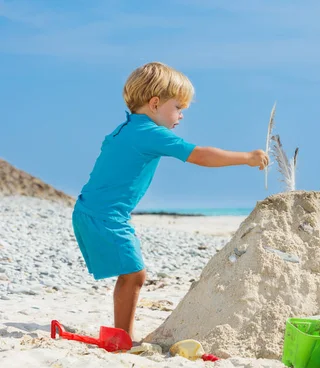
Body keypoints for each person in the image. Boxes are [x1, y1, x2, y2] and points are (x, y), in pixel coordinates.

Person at [72, 61, 268, 339]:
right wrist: (246, 158)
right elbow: (200, 155)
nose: (181, 116)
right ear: (154, 103)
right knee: (134, 274)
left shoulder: (126, 128)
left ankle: (121, 334)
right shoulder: (149, 132)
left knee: (131, 273)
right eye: (178, 107)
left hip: (91, 210)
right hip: (106, 215)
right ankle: (122, 337)